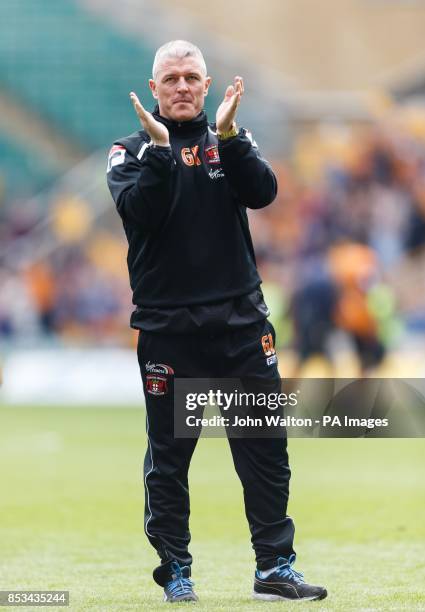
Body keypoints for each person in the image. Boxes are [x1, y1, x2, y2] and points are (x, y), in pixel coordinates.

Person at [107, 40, 327, 603]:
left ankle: (274, 568)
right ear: (153, 90)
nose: (182, 87)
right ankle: (176, 569)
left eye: (192, 77)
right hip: (169, 333)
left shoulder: (231, 141)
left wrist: (229, 139)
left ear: (207, 87)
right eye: (171, 78)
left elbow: (263, 193)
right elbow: (140, 215)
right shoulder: (129, 152)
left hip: (240, 328)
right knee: (170, 458)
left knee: (264, 451)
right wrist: (160, 151)